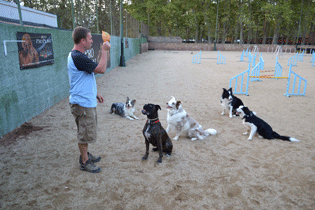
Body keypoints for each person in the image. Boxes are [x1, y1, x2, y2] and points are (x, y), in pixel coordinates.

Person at [67, 26, 111, 173]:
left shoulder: (80, 56)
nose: (92, 40)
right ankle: (85, 161)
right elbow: (101, 69)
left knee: (85, 131)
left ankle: (85, 154)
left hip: (84, 101)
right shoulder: (78, 57)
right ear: (82, 40)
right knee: (84, 133)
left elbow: (86, 77)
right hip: (82, 103)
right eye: (90, 38)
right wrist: (104, 51)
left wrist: (95, 93)